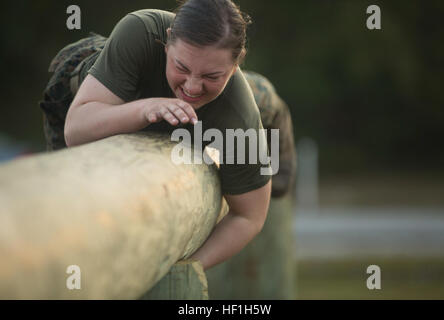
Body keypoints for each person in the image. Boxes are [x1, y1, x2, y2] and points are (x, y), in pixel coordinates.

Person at [39, 0, 296, 270]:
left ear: (235, 65)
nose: (193, 87)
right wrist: (145, 108)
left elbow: (250, 216)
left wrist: (185, 269)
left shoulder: (239, 115)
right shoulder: (139, 32)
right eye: (181, 67)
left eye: (211, 75)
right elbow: (76, 129)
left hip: (222, 111)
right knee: (71, 228)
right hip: (91, 96)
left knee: (256, 96)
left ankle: (262, 98)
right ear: (167, 42)